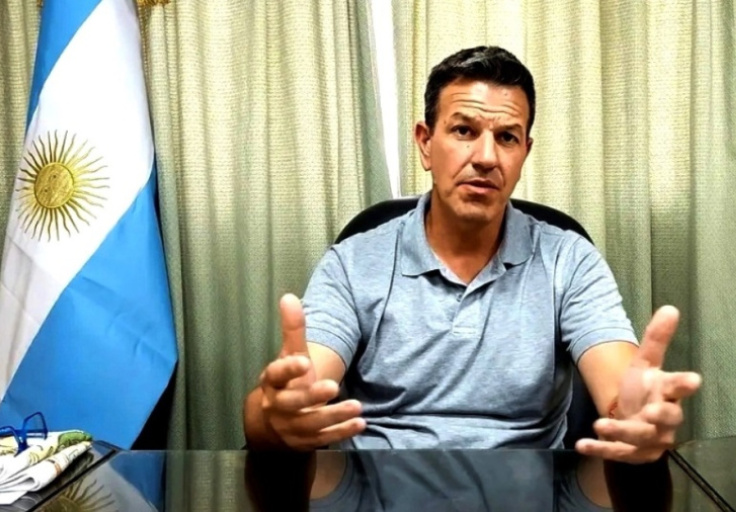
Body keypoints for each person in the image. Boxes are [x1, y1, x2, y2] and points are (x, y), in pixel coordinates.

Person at [243, 46, 702, 463]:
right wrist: (276, 413)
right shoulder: (354, 262)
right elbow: (283, 404)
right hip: (380, 491)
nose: (486, 157)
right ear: (425, 143)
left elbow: (621, 393)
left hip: (527, 492)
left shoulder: (568, 259)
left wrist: (637, 417)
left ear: (524, 152)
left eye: (507, 137)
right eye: (464, 130)